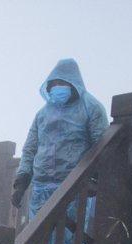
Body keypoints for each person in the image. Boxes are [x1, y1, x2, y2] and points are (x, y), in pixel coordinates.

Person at [13, 59, 109, 218]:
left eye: (63, 82)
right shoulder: (43, 114)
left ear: (74, 83)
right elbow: (30, 149)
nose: (58, 86)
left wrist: (95, 177)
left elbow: (101, 145)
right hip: (41, 188)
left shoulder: (91, 107)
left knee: (71, 238)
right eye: (55, 82)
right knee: (40, 239)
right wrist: (21, 184)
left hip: (74, 186)